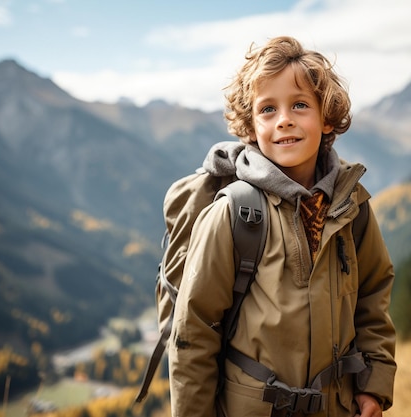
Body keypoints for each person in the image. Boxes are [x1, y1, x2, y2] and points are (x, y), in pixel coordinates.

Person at [168, 36, 396, 417]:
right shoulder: (235, 212)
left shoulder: (350, 206)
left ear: (326, 119)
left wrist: (373, 385)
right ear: (251, 125)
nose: (284, 119)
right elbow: (194, 333)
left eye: (300, 105)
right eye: (268, 109)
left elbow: (373, 295)